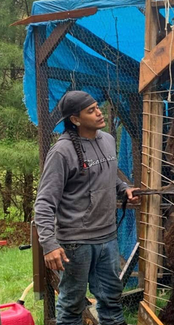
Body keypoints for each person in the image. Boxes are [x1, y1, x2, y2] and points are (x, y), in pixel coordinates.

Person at [34, 90, 138, 325]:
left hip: (108, 238)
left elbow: (109, 176)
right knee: (72, 305)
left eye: (97, 107)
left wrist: (124, 189)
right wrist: (49, 244)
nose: (99, 112)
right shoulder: (62, 152)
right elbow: (44, 202)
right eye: (91, 110)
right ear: (75, 119)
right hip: (75, 243)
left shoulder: (108, 140)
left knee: (112, 300)